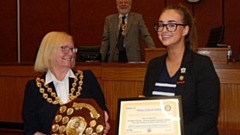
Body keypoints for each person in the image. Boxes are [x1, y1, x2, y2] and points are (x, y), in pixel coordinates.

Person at [141, 4, 220, 135]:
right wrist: (142, 108)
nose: (164, 30)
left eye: (171, 25)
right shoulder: (154, 65)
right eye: (161, 25)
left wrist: (175, 132)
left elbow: (208, 117)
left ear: (185, 30)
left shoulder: (202, 65)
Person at [22, 31, 110, 135]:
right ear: (49, 53)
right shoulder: (34, 87)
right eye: (64, 48)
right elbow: (30, 130)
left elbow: (102, 111)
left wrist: (104, 123)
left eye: (72, 49)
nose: (71, 53)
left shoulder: (87, 78)